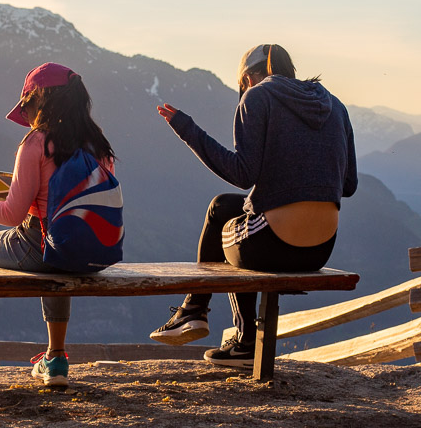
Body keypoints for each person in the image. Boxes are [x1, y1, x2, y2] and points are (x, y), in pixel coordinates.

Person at [149, 44, 358, 368]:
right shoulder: (336, 105)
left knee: (225, 223)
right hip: (321, 248)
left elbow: (242, 174)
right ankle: (204, 317)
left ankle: (208, 319)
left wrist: (188, 130)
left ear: (247, 78)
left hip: (274, 243)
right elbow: (349, 185)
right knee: (226, 207)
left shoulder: (257, 97)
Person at [0, 62, 116, 389]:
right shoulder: (98, 143)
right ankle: (56, 359)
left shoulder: (37, 142)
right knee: (60, 255)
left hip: (38, 244)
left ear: (41, 101)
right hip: (93, 248)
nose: (28, 116)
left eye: (27, 107)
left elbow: (12, 214)